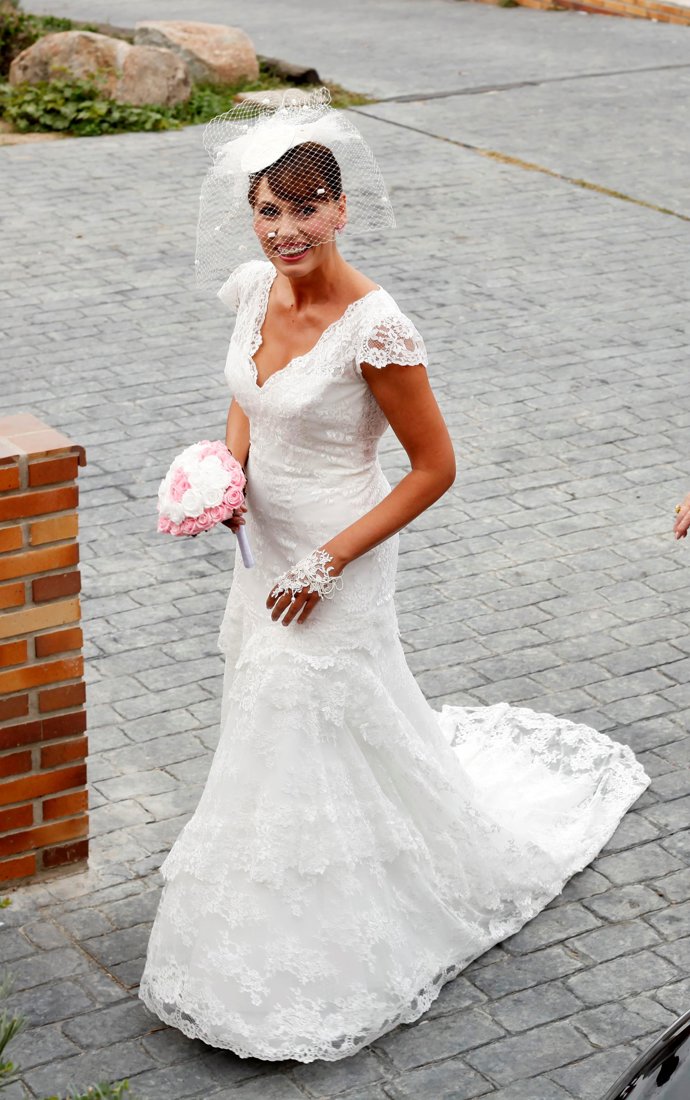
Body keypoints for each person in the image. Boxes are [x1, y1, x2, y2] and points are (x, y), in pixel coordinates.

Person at [138, 90, 650, 1063]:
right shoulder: (252, 290)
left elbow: (434, 468)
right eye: (270, 209)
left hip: (343, 547)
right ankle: (268, 910)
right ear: (254, 214)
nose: (287, 229)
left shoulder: (377, 326)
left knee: (301, 705)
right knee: (269, 708)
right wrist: (229, 474)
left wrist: (332, 557)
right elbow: (244, 395)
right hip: (269, 545)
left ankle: (322, 946)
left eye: (306, 207)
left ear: (340, 208)